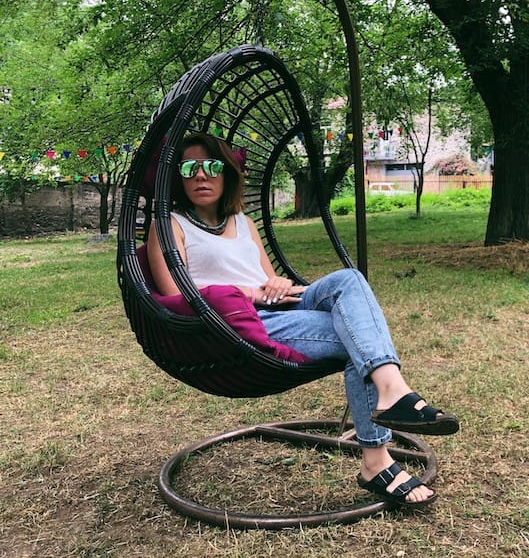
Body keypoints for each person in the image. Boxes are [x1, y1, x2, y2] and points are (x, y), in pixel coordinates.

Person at [147, 132, 459, 507]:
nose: (201, 175)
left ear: (226, 174)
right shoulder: (169, 226)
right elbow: (174, 296)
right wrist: (250, 294)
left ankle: (391, 391)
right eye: (190, 167)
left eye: (212, 166)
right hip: (239, 324)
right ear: (178, 177)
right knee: (356, 341)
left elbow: (266, 277)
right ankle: (377, 458)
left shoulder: (243, 222)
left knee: (349, 280)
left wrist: (275, 283)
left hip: (283, 304)